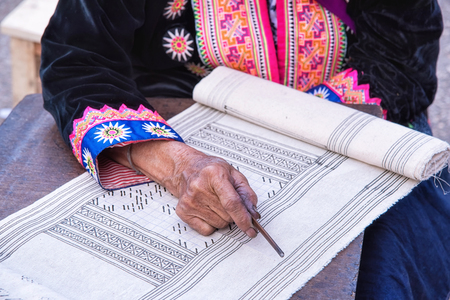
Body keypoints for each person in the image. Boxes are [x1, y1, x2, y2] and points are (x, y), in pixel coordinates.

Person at [40, 0, 450, 298]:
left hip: (357, 133)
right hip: (177, 139)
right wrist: (175, 164)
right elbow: (78, 59)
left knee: (374, 278)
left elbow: (401, 57)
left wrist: (312, 130)